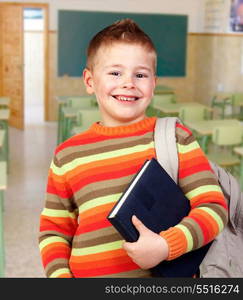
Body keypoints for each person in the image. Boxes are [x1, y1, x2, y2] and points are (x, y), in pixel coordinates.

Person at [38, 19, 228, 278]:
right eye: (115, 73)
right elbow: (54, 231)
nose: (128, 82)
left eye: (140, 75)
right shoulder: (67, 155)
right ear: (90, 80)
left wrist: (166, 246)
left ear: (154, 83)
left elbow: (214, 207)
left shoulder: (175, 138)